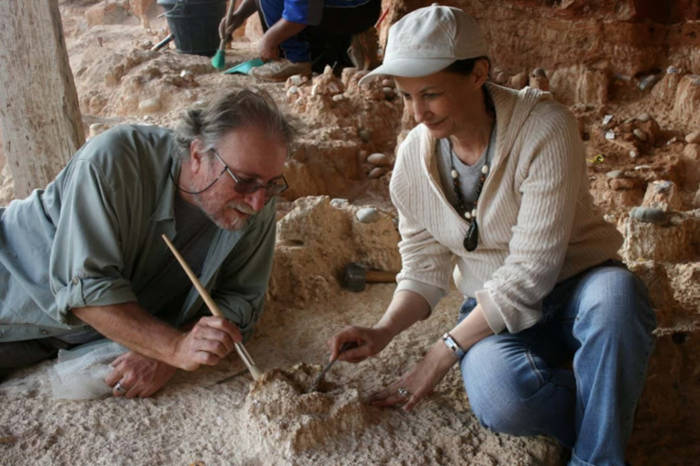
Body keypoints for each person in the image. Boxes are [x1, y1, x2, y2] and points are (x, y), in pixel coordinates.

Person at [328, 5, 656, 465]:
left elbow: (531, 272)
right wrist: (382, 331)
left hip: (581, 286)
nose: (418, 112)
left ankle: (597, 456)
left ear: (478, 73)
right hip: (491, 307)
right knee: (503, 399)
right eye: (406, 96)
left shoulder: (545, 128)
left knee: (617, 299)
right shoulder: (410, 163)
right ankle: (610, 400)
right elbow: (424, 269)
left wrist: (439, 355)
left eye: (432, 94)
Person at [0, 88, 294, 398]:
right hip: (15, 297)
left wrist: (176, 348)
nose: (259, 202)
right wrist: (172, 347)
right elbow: (85, 290)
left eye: (271, 185)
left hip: (76, 339)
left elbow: (241, 299)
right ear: (197, 155)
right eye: (244, 180)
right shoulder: (115, 160)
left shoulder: (255, 202)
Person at [218, 0, 381, 81]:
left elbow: (300, 14)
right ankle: (344, 44)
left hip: (354, 10)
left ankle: (296, 60)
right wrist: (240, 15)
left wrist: (269, 40)